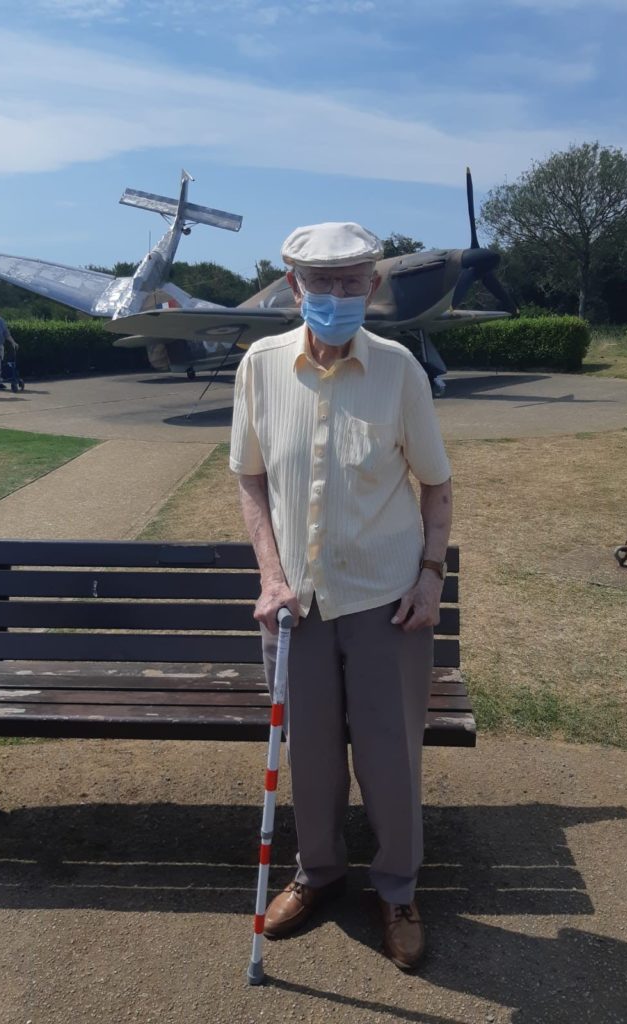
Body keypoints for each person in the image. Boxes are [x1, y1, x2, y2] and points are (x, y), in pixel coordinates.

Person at [230, 222, 453, 971]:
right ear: (292, 287)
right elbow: (250, 477)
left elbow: (437, 482)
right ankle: (318, 874)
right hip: (297, 608)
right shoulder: (259, 367)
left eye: (351, 280)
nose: (334, 295)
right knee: (312, 758)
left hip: (387, 603)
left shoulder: (399, 371)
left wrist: (430, 575)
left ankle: (396, 890)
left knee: (391, 760)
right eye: (318, 282)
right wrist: (270, 575)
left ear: (374, 286)